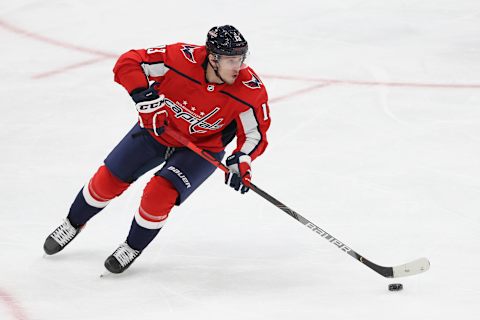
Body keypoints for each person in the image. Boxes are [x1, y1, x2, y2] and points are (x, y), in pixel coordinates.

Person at [43, 25, 271, 274]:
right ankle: (72, 223)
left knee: (159, 194)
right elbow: (129, 62)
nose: (238, 66)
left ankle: (131, 247)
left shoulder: (250, 90)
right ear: (212, 58)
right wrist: (145, 98)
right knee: (106, 182)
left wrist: (242, 158)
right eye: (231, 60)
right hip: (156, 132)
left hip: (200, 150)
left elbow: (254, 134)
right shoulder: (179, 59)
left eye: (241, 58)